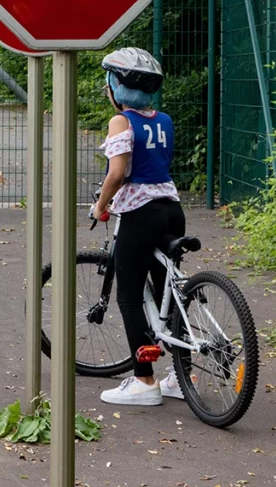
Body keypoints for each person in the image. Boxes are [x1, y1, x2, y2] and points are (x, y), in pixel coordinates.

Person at [92, 47, 185, 406]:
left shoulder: (122, 121)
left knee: (129, 295)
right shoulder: (164, 119)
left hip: (140, 213)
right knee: (170, 294)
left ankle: (144, 381)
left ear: (117, 86)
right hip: (172, 209)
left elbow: (118, 173)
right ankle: (180, 375)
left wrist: (101, 204)